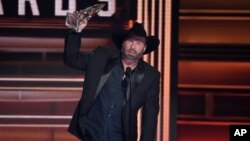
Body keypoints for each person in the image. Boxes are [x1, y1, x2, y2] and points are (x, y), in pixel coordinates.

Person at [64, 13, 160, 141]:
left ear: (144, 48)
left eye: (138, 43)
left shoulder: (150, 75)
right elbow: (72, 59)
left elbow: (150, 117)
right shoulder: (101, 56)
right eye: (130, 41)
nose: (133, 46)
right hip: (90, 132)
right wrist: (76, 31)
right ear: (122, 43)